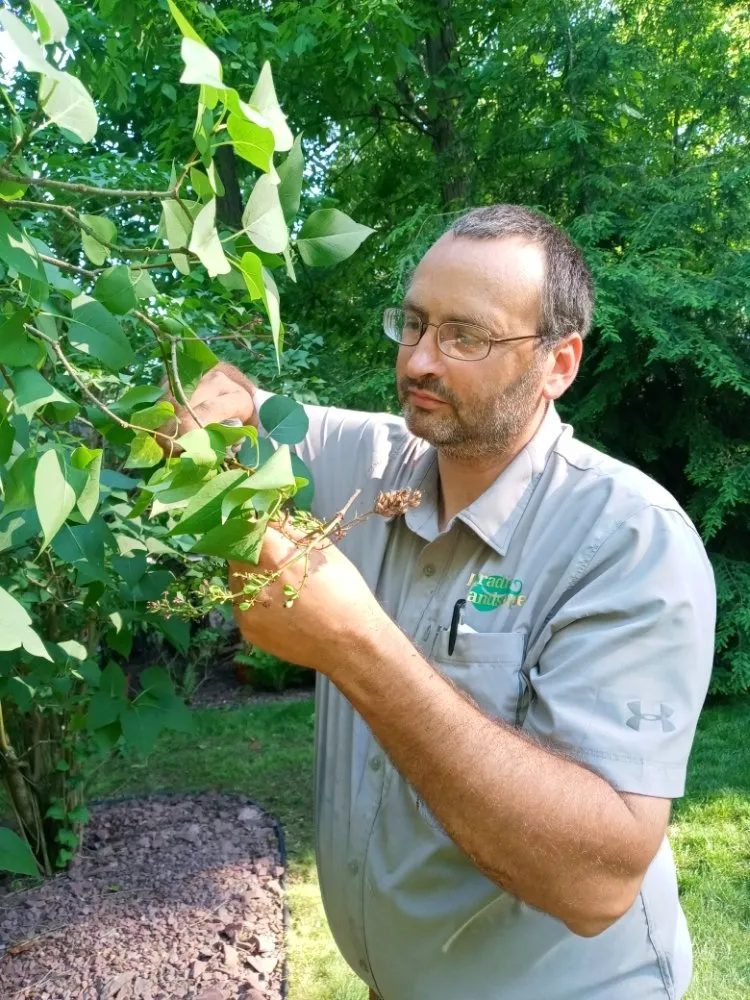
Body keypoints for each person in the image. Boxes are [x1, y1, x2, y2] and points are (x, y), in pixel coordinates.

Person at [163, 205, 715, 1000]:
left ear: (558, 363)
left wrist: (354, 644)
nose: (420, 361)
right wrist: (210, 396)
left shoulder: (626, 539)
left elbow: (597, 885)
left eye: (466, 337)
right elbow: (247, 406)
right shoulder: (379, 463)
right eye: (415, 323)